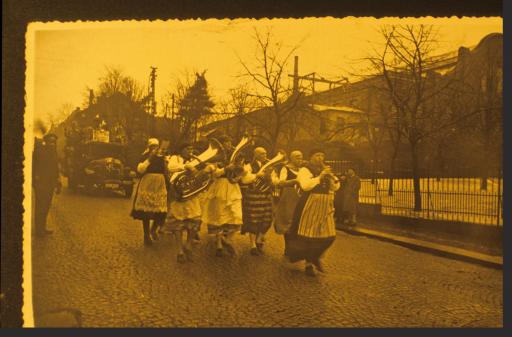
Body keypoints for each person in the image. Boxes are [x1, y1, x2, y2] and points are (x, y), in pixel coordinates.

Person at [284, 148, 340, 277]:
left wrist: (330, 177)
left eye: (322, 155)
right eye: (317, 155)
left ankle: (314, 257)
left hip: (325, 206)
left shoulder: (326, 169)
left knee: (330, 236)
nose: (320, 158)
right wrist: (320, 177)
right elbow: (305, 186)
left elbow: (336, 187)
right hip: (310, 203)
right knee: (308, 236)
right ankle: (309, 264)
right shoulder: (305, 170)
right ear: (310, 157)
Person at [203, 135, 245, 257]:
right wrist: (226, 168)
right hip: (220, 186)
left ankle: (228, 239)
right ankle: (219, 244)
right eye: (225, 142)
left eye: (229, 142)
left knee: (236, 215)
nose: (228, 144)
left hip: (232, 188)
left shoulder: (236, 156)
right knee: (219, 215)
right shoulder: (216, 157)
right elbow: (214, 175)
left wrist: (238, 174)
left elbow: (242, 171)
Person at [166, 143, 206, 263]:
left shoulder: (195, 160)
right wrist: (186, 167)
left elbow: (202, 174)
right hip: (178, 194)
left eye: (191, 149)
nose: (190, 151)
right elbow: (171, 167)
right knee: (178, 223)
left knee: (194, 221)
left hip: (192, 194)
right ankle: (180, 251)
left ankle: (188, 245)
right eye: (188, 149)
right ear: (181, 150)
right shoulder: (175, 158)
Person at [240, 147, 279, 256]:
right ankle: (253, 244)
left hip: (266, 195)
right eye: (262, 154)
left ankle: (259, 239)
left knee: (267, 219)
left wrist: (271, 179)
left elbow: (276, 180)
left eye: (265, 153)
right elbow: (244, 179)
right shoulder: (248, 165)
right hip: (253, 195)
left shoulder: (270, 165)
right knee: (253, 220)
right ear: (255, 154)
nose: (265, 155)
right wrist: (257, 175)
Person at [130, 138, 169, 246]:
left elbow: (167, 170)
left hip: (160, 184)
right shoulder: (145, 156)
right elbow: (140, 169)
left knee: (161, 210)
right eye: (153, 146)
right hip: (148, 183)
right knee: (145, 212)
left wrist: (165, 160)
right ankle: (146, 235)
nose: (155, 149)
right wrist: (150, 158)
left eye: (157, 146)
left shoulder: (162, 157)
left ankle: (153, 229)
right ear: (149, 147)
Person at [33, 133, 62, 237]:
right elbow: (34, 166)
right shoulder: (39, 152)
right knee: (40, 206)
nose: (52, 144)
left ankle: (42, 227)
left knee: (46, 206)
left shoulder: (53, 152)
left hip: (50, 183)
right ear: (46, 142)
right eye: (50, 141)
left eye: (54, 142)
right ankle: (39, 230)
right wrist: (36, 181)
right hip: (41, 183)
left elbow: (56, 168)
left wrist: (58, 182)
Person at [273, 150, 303, 235]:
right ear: (291, 158)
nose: (300, 160)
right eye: (297, 158)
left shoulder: (302, 170)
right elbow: (281, 183)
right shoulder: (285, 168)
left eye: (301, 158)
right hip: (289, 195)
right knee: (288, 217)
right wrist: (293, 181)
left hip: (299, 195)